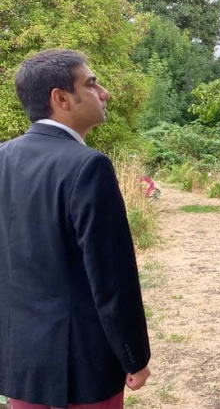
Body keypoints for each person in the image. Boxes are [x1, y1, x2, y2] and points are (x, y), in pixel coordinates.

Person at [0, 49, 151, 409]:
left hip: (20, 359)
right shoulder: (88, 166)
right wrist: (134, 355)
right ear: (61, 98)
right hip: (82, 364)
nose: (104, 93)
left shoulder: (3, 157)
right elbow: (112, 277)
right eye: (92, 84)